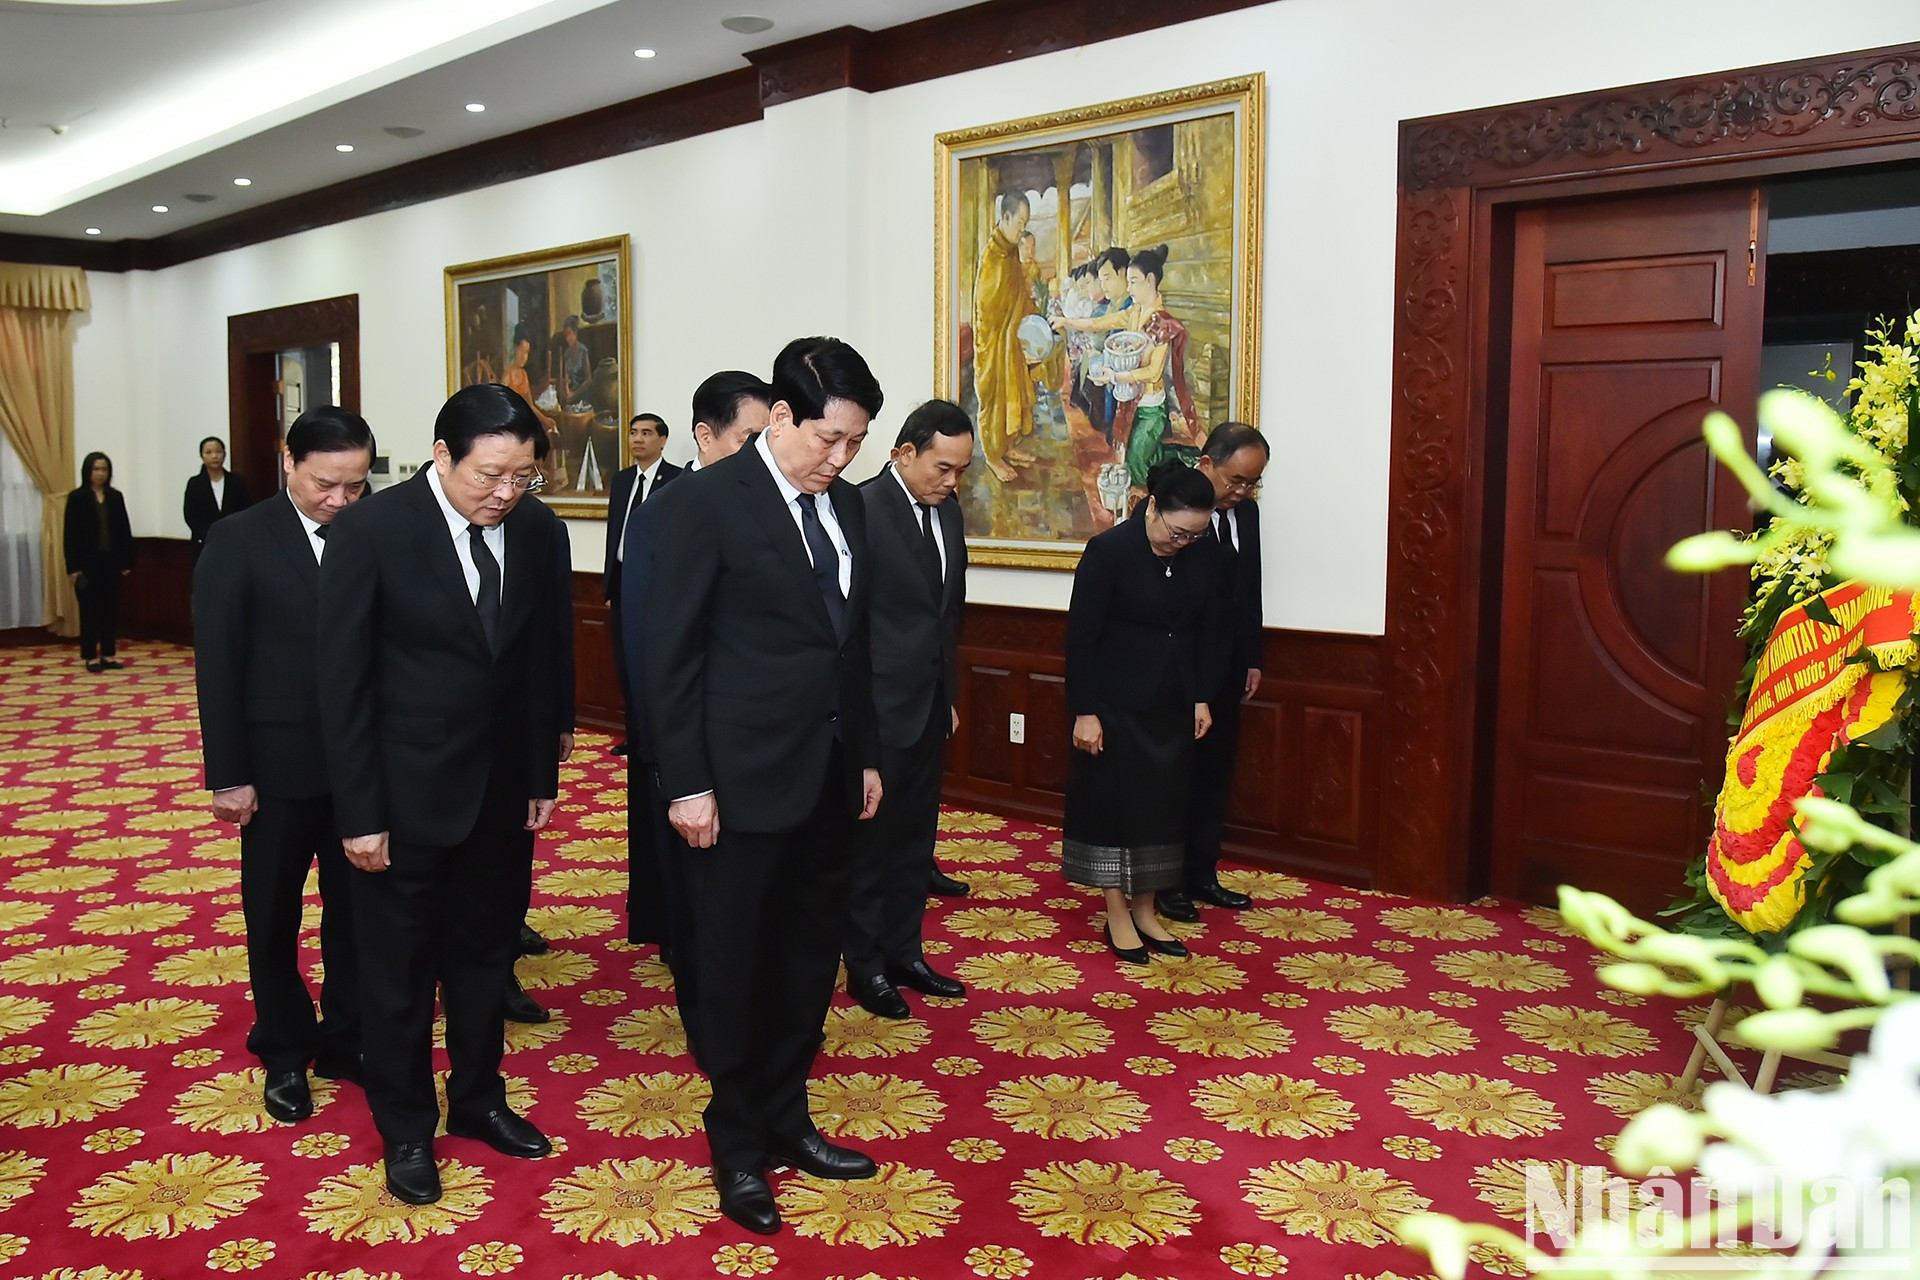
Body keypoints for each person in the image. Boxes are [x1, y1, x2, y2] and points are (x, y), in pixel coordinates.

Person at [643, 337, 885, 1236]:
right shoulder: (702, 504)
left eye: (856, 442)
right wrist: (689, 784)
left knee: (804, 962)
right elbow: (670, 658)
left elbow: (848, 647)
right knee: (738, 969)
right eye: (828, 438)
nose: (840, 457)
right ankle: (737, 1143)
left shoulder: (851, 508)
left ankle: (789, 1117)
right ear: (780, 417)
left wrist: (861, 755)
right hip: (734, 786)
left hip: (823, 780)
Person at [318, 384, 571, 1207]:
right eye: (489, 475)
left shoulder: (535, 530)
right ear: (441, 456)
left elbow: (536, 663)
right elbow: (343, 686)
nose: (505, 493)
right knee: (396, 974)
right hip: (400, 801)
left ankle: (478, 1100)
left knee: (482, 959)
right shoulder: (370, 531)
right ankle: (405, 1129)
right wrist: (358, 813)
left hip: (498, 796)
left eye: (522, 476)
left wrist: (539, 775)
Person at [193, 407, 374, 1124]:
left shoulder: (374, 531)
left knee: (357, 913)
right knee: (272, 914)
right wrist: (228, 773)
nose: (340, 501)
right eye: (326, 484)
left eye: (355, 486)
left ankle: (346, 1037)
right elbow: (219, 667)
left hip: (360, 769)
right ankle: (284, 1049)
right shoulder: (239, 539)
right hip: (272, 768)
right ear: (287, 461)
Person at [621, 373, 770, 962]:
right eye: (748, 439)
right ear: (705, 438)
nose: (762, 455)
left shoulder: (762, 509)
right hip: (679, 729)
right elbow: (645, 638)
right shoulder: (669, 510)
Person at [1063, 460, 1222, 963]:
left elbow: (1198, 631)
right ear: (1152, 507)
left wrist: (1199, 696)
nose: (1183, 542)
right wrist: (1085, 711)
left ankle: (1147, 910)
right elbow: (1082, 638)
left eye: (1194, 536)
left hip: (1171, 703)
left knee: (1162, 807)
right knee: (1115, 807)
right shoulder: (1109, 552)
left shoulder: (1197, 554)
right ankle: (1116, 912)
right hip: (1114, 704)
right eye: (1177, 532)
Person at [844, 399, 973, 1021]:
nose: (952, 482)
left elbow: (948, 615)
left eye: (961, 471)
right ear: (904, 453)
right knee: (871, 843)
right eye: (943, 468)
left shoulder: (947, 515)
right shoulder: (861, 510)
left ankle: (905, 952)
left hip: (927, 707)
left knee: (916, 840)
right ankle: (864, 965)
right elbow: (851, 629)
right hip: (876, 711)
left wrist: (946, 694)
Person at [1160, 423, 1269, 924]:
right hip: (1182, 670)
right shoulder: (1176, 512)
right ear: (1206, 464)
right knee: (1175, 778)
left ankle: (1203, 872)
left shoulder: (1246, 515)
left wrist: (1253, 656)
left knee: (1214, 776)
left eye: (1252, 483)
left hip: (1228, 669)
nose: (1242, 491)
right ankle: (1167, 883)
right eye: (1236, 480)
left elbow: (1249, 592)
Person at [603, 413, 681, 758]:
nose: (638, 439)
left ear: (662, 440)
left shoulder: (677, 480)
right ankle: (633, 734)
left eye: (646, 433)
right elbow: (614, 535)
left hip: (658, 583)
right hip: (622, 580)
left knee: (655, 663)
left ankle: (654, 735)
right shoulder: (622, 481)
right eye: (633, 432)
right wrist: (608, 585)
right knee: (626, 661)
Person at [972, 190, 1040, 483]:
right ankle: (992, 455)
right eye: (1019, 222)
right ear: (1005, 217)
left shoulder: (1011, 252)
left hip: (1010, 342)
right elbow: (986, 307)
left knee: (1015, 396)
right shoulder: (992, 256)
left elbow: (1019, 295)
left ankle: (1008, 446)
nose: (1021, 229)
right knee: (995, 398)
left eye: (1025, 223)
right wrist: (1008, 327)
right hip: (994, 344)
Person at [63, 451, 133, 674]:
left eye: (104, 469)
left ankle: (109, 654)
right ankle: (90, 656)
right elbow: (70, 534)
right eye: (96, 469)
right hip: (87, 565)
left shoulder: (115, 496)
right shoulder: (77, 497)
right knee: (89, 612)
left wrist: (126, 561)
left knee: (109, 611)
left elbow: (124, 530)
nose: (100, 473)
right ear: (87, 471)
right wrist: (73, 567)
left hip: (111, 563)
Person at [183, 436, 252, 550]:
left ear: (224, 454)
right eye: (208, 452)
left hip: (234, 540)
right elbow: (190, 515)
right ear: (202, 456)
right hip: (204, 543)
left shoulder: (237, 482)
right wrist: (209, 534)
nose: (214, 456)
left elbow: (246, 510)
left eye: (218, 451)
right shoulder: (195, 484)